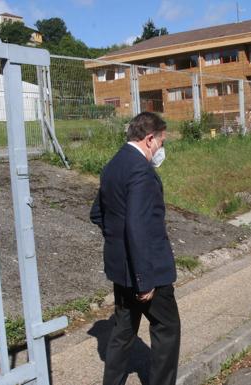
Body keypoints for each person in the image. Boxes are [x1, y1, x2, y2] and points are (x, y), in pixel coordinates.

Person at [90, 112, 180, 385]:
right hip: (147, 269)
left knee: (123, 331)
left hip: (122, 269)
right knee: (167, 328)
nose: (161, 150)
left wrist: (118, 244)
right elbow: (137, 227)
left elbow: (97, 213)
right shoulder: (141, 170)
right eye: (161, 143)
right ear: (150, 139)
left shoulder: (114, 164)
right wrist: (144, 280)